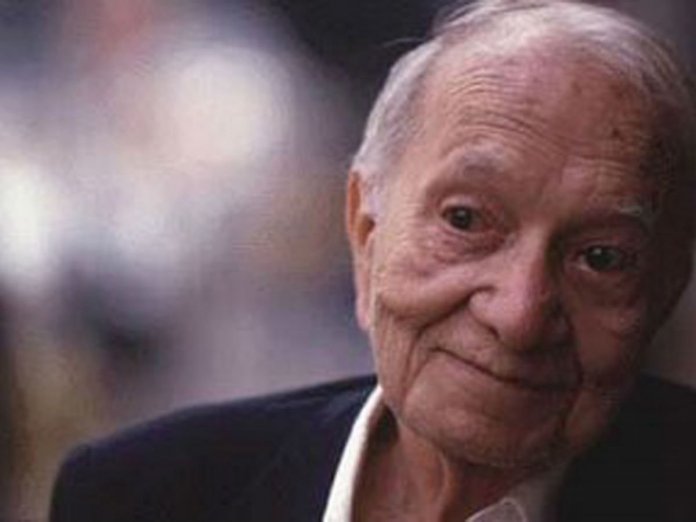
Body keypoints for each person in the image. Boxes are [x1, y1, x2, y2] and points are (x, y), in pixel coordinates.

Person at [50, 0, 696, 520]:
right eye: (465, 221)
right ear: (365, 232)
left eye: (601, 257)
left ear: (667, 290)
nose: (520, 314)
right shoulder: (140, 495)